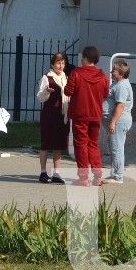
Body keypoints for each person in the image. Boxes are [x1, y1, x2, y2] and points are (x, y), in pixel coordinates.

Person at [64, 45, 109, 187]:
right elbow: (106, 94)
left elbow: (68, 91)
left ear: (84, 58)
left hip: (80, 114)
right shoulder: (102, 76)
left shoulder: (76, 73)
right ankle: (97, 175)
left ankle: (83, 178)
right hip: (95, 114)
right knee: (93, 144)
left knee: (81, 144)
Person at [36, 52, 70, 183]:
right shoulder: (47, 77)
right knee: (45, 143)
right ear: (52, 64)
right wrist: (46, 91)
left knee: (59, 144)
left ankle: (56, 173)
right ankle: (43, 172)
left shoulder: (65, 77)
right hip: (50, 114)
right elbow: (40, 96)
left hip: (62, 115)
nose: (60, 66)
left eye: (62, 63)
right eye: (58, 63)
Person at [103, 59, 134, 185]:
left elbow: (120, 106)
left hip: (119, 121)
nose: (111, 72)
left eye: (114, 70)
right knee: (115, 147)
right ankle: (115, 173)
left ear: (121, 74)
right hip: (116, 121)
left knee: (117, 148)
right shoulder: (118, 83)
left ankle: (117, 176)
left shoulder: (121, 86)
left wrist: (113, 122)